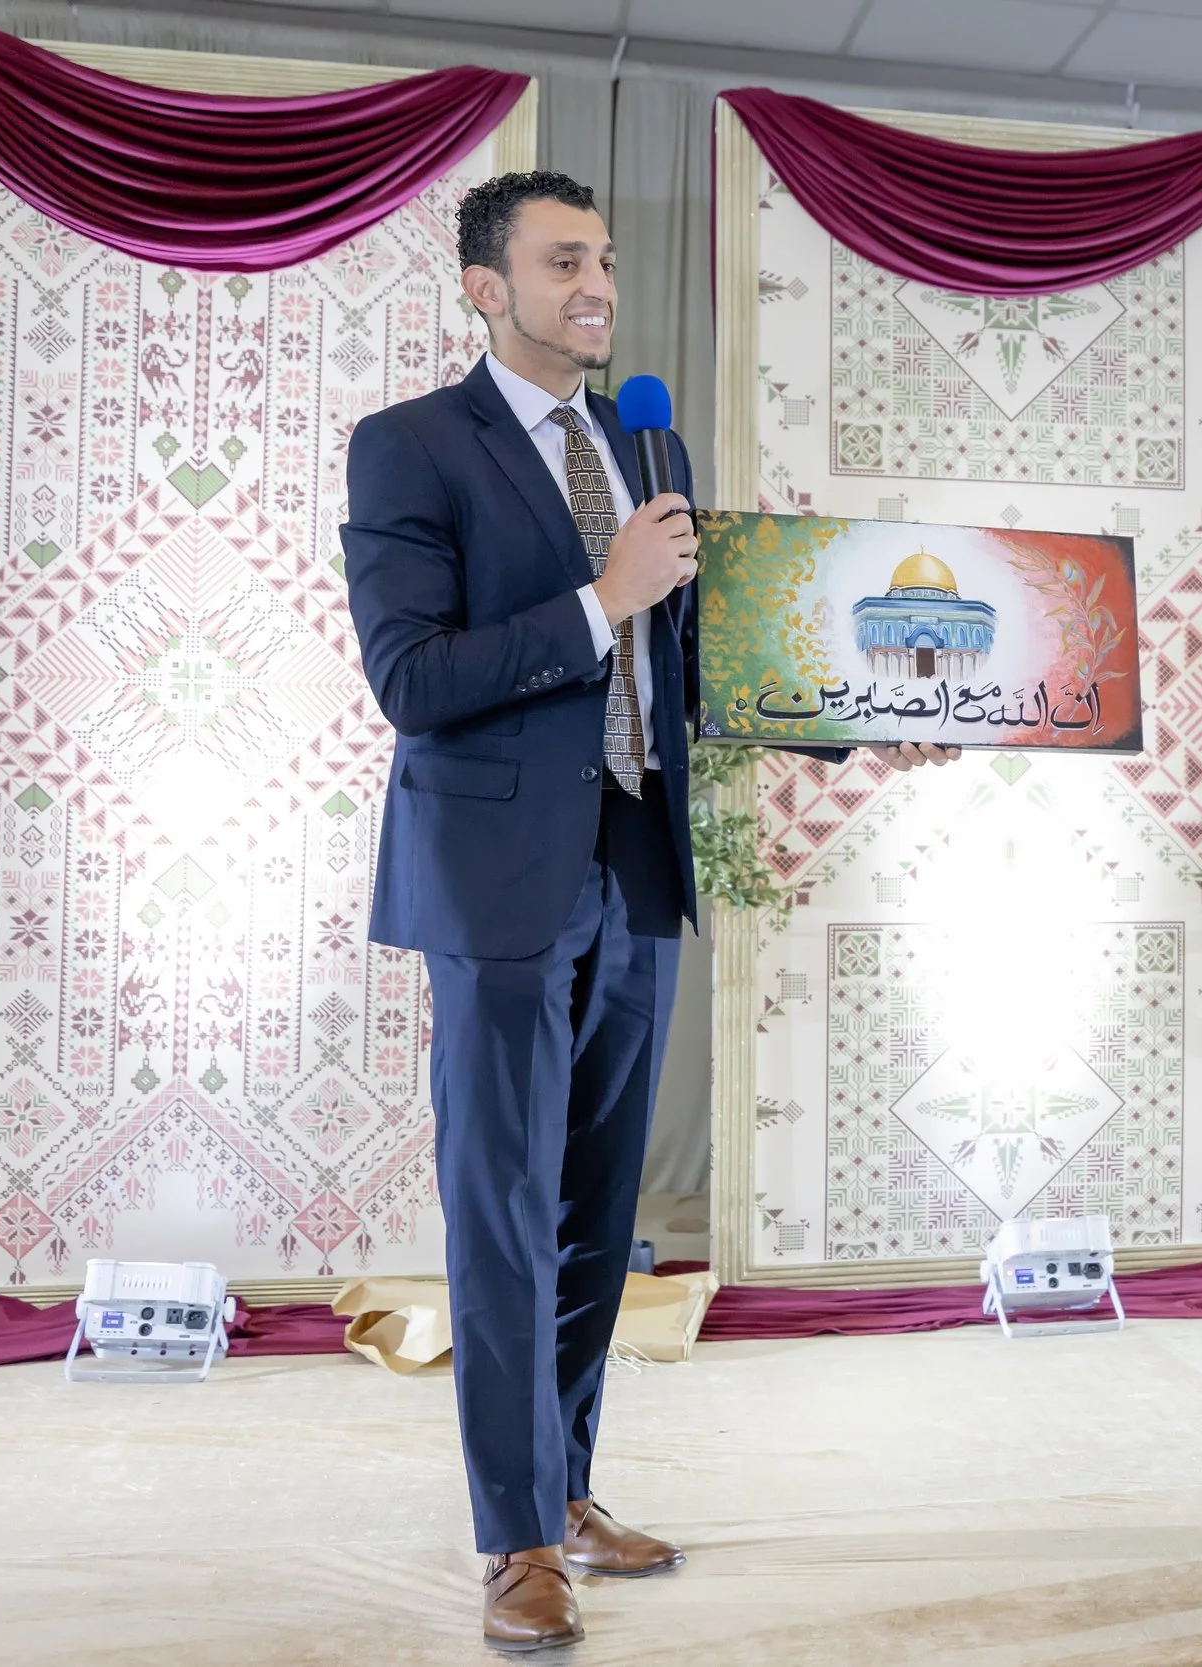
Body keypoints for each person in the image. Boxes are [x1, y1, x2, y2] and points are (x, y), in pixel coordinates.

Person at [341, 171, 953, 1654]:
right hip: (495, 883)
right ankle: (514, 1539)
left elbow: (692, 658)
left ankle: (567, 1487)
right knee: (501, 1214)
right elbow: (413, 679)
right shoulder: (411, 445)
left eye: (605, 258)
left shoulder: (639, 443)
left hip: (633, 867)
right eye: (564, 261)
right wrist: (599, 598)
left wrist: (854, 721)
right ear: (486, 288)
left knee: (595, 1215)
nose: (598, 284)